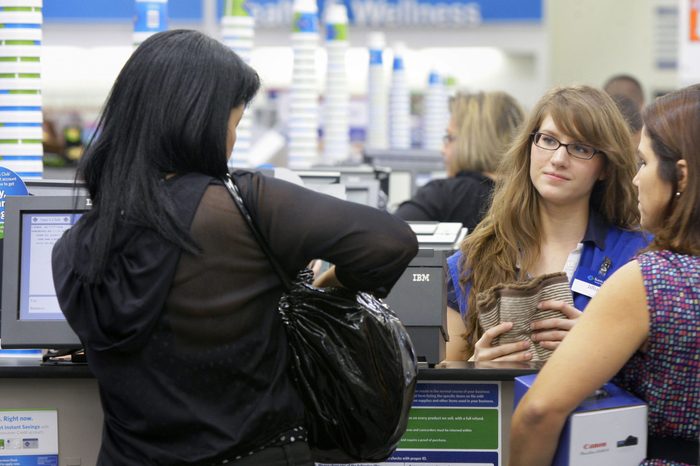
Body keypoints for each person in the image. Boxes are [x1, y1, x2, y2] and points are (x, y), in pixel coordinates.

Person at [51, 30, 418, 466]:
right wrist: (332, 282)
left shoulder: (72, 248)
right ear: (200, 121)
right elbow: (391, 242)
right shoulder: (247, 205)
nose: (232, 140)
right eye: (234, 123)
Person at [509, 84, 699, 466]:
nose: (635, 179)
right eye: (547, 140)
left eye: (643, 164)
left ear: (680, 177)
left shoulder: (652, 278)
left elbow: (538, 412)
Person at [445, 85, 649, 362]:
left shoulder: (640, 256)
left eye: (580, 148)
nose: (558, 159)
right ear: (529, 146)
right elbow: (442, 385)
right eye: (548, 140)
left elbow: (662, 377)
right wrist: (477, 369)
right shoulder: (472, 260)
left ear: (606, 167)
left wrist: (601, 345)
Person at [394, 91, 524, 232]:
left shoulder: (444, 195)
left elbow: (387, 235)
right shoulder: (528, 200)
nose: (442, 150)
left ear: (471, 142)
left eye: (449, 138)